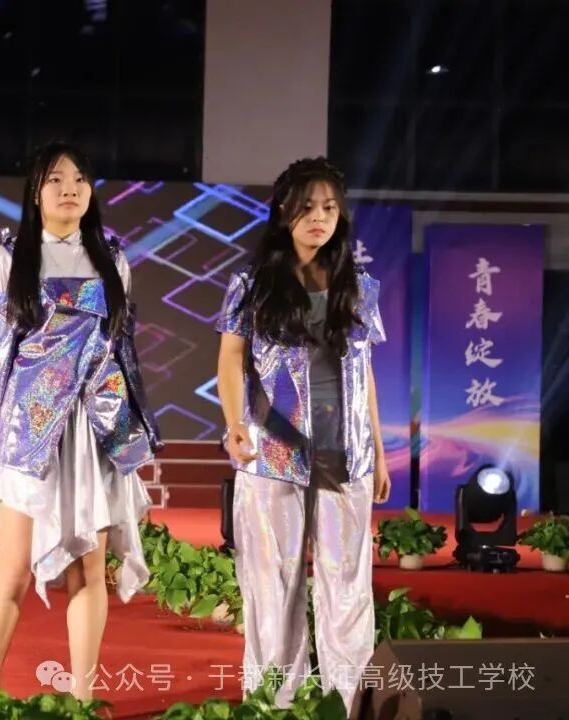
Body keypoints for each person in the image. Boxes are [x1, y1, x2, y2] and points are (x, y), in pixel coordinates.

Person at [0, 142, 163, 701]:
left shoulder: (112, 257)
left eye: (80, 179)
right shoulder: (8, 257)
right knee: (13, 567)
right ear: (35, 192)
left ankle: (84, 700)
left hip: (94, 428)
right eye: (55, 179)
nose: (70, 188)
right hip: (28, 428)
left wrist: (137, 431)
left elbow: (124, 351)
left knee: (88, 571)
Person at [216, 156, 390, 711]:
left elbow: (365, 373)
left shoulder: (359, 287)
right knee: (274, 583)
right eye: (308, 207)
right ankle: (275, 704)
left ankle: (349, 703)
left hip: (345, 453)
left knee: (347, 584)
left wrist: (379, 451)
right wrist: (233, 424)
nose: (319, 218)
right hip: (273, 451)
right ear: (283, 212)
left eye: (330, 208)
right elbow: (230, 360)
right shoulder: (251, 285)